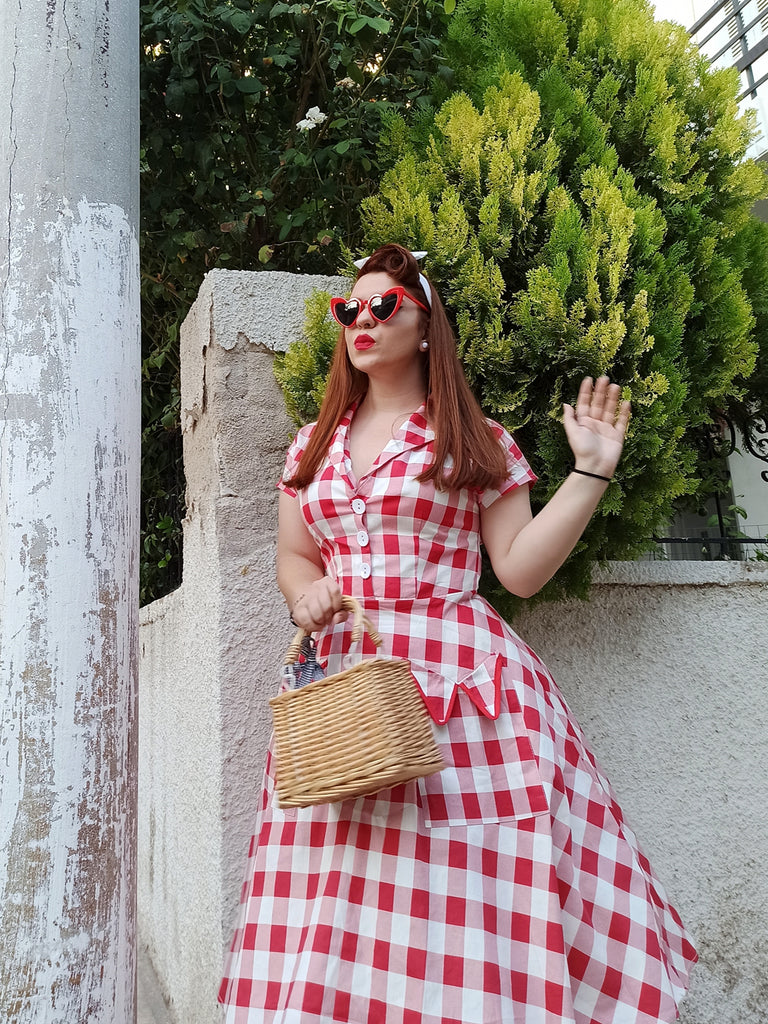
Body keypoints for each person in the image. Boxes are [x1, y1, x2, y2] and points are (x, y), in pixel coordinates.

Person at [219, 244, 696, 1023]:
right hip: (342, 693)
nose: (362, 321)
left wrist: (592, 472)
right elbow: (295, 554)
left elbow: (518, 570)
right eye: (350, 310)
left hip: (465, 695)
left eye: (385, 307)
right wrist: (306, 597)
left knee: (466, 886)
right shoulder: (312, 444)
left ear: (427, 323)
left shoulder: (472, 439)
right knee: (345, 890)